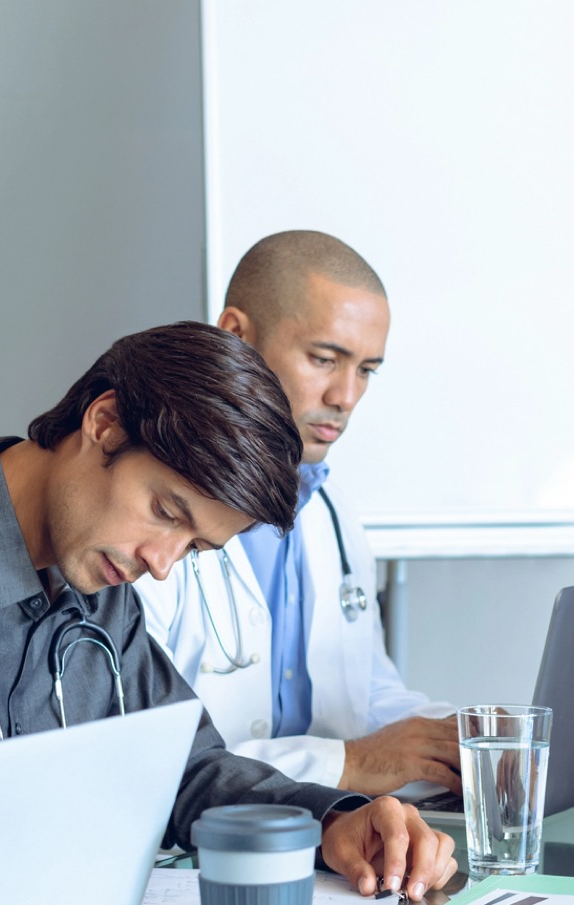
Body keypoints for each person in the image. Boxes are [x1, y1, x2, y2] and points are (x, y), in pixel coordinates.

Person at [0, 321, 455, 905]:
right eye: (166, 511)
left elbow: (188, 772)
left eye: (193, 548)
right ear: (103, 423)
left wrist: (334, 821)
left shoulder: (100, 584)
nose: (163, 561)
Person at [138, 231, 457, 795]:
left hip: (330, 837)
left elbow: (368, 693)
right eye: (325, 359)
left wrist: (463, 745)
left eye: (367, 370)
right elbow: (148, 758)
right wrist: (351, 764)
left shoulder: (332, 513)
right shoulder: (152, 516)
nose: (346, 396)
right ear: (236, 335)